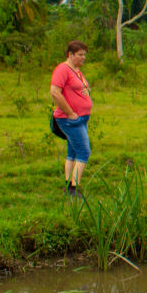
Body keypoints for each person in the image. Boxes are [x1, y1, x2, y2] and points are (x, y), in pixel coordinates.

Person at [50, 41, 92, 197]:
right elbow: (55, 92)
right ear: (70, 54)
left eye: (84, 55)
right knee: (84, 151)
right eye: (80, 55)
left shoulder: (76, 70)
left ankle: (68, 183)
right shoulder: (62, 69)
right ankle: (74, 187)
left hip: (81, 118)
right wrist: (69, 112)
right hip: (70, 119)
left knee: (73, 151)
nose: (83, 58)